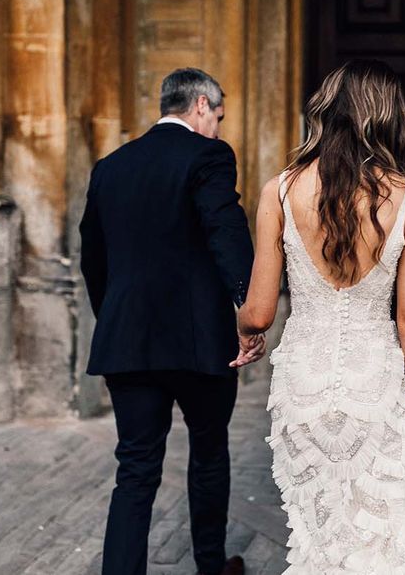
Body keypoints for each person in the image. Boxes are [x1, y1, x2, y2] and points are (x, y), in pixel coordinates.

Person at [236, 60, 405, 573]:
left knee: (321, 539)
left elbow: (259, 311)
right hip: (376, 389)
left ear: (325, 112)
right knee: (382, 537)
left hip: (304, 389)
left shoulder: (279, 190)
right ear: (387, 117)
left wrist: (246, 333)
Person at [79, 67, 265, 575]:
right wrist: (250, 312)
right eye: (220, 116)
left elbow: (92, 259)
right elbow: (225, 230)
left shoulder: (110, 166)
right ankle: (209, 568)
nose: (221, 128)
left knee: (135, 471)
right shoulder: (209, 155)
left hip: (127, 343)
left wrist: (115, 319)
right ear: (201, 105)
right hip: (199, 344)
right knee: (208, 455)